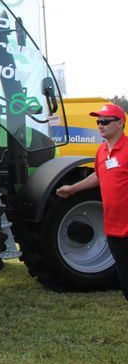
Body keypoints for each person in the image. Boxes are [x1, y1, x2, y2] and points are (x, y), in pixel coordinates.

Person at [56, 103, 128, 300]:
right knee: (125, 282)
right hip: (114, 228)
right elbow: (98, 176)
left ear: (120, 123)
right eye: (98, 121)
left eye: (105, 121)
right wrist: (72, 189)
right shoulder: (102, 152)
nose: (100, 125)